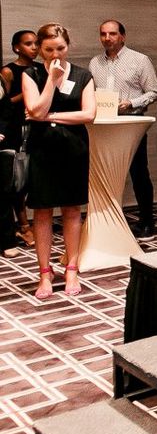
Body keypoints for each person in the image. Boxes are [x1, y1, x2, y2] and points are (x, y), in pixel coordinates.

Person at [21, 24, 96, 300]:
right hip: (42, 149)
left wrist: (50, 116)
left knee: (72, 210)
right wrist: (51, 81)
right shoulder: (31, 74)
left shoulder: (83, 75)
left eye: (60, 48)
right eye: (49, 49)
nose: (55, 54)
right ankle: (44, 273)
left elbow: (89, 114)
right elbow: (35, 109)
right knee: (42, 211)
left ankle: (71, 269)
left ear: (68, 46)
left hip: (74, 149)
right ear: (40, 48)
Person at [88, 20, 157, 237]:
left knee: (139, 173)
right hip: (104, 125)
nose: (107, 38)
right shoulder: (95, 63)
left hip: (131, 123)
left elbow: (154, 91)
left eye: (112, 34)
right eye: (103, 34)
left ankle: (147, 221)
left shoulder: (139, 60)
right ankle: (108, 220)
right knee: (106, 173)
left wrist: (131, 103)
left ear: (123, 36)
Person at [1, 30, 39, 252]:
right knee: (17, 178)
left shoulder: (41, 69)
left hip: (37, 127)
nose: (34, 48)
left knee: (31, 177)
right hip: (16, 129)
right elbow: (4, 104)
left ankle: (31, 224)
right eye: (28, 44)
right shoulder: (8, 71)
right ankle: (24, 226)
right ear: (17, 47)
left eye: (36, 43)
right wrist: (27, 93)